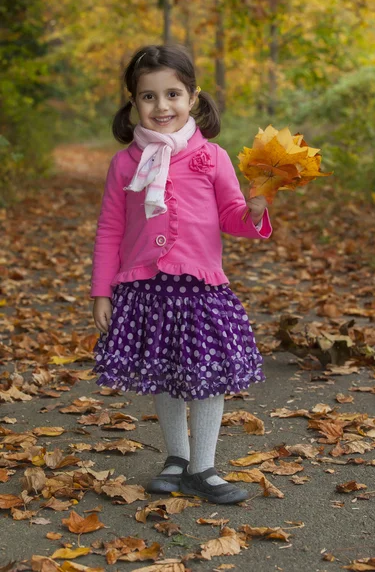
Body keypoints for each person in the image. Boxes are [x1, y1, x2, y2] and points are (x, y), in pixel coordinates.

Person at [91, 44, 272, 505]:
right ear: (133, 102)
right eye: (148, 97)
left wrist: (252, 211)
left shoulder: (212, 157)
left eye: (172, 94)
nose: (161, 106)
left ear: (192, 98)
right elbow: (111, 228)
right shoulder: (125, 163)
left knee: (206, 375)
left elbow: (231, 216)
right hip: (145, 287)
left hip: (200, 287)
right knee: (164, 374)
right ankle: (177, 458)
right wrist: (102, 291)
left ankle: (204, 466)